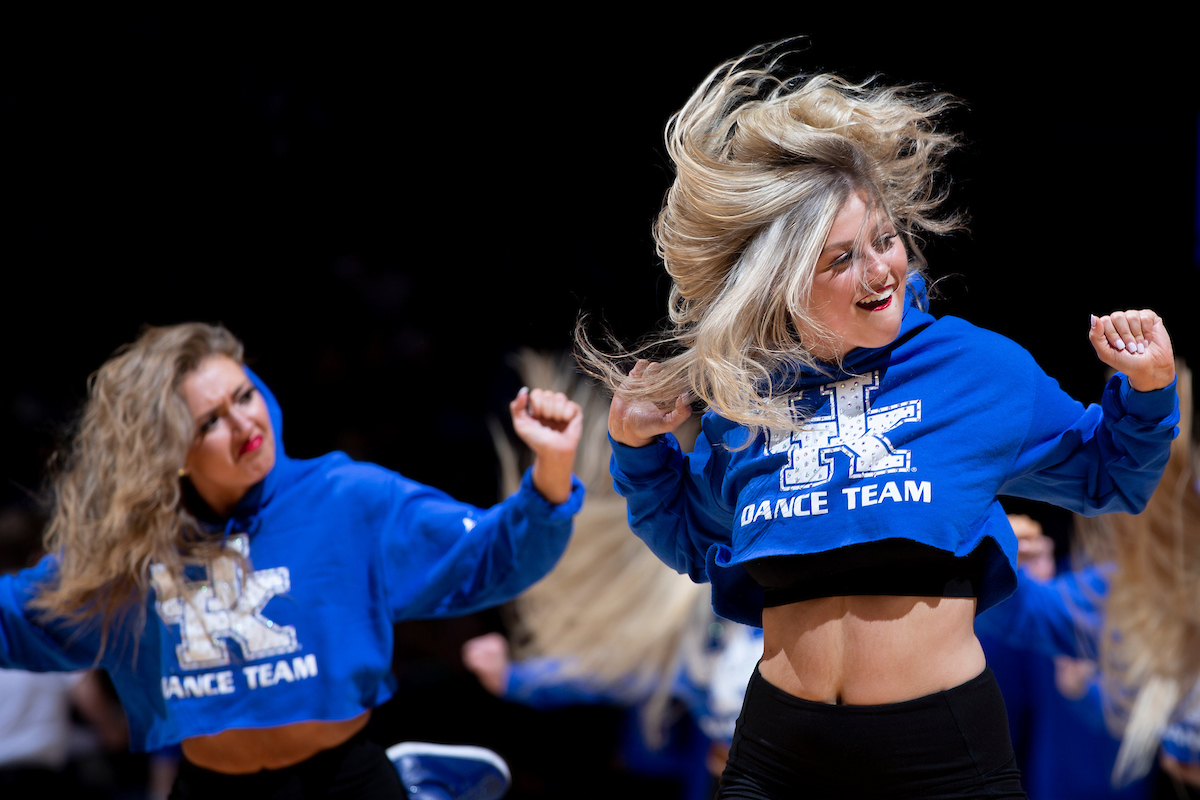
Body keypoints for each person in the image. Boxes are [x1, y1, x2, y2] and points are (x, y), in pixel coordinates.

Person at [578, 41, 1180, 799]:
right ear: (786, 280)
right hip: (776, 750)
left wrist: (1149, 387)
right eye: (840, 259)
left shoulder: (980, 369)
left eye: (885, 240)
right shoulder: (746, 397)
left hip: (939, 753)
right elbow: (696, 543)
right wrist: (637, 450)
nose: (880, 270)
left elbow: (1110, 475)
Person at [0, 322, 585, 799]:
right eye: (210, 421)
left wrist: (551, 473)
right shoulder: (133, 546)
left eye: (244, 395)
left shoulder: (347, 497)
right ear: (173, 451)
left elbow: (487, 556)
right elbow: (18, 618)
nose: (243, 423)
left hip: (346, 782)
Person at [462, 349, 762, 800]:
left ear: (716, 760)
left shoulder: (695, 672)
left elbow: (603, 670)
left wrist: (514, 678)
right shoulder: (698, 662)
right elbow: (609, 669)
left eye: (725, 764)